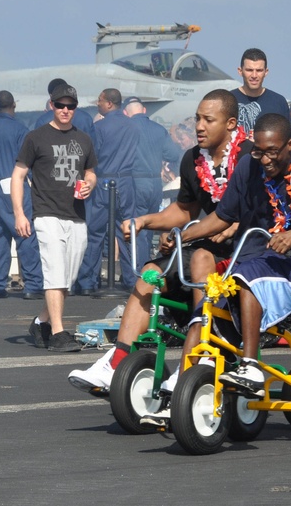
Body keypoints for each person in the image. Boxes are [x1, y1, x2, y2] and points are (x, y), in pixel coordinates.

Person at [68, 89, 251, 397]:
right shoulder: (193, 159)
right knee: (149, 275)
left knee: (199, 259)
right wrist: (144, 221)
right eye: (197, 119)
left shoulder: (249, 157)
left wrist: (221, 227)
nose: (199, 126)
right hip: (207, 244)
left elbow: (257, 207)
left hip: (247, 250)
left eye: (209, 120)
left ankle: (194, 362)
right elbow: (184, 210)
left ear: (231, 123)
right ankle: (116, 362)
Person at [178, 112, 291, 396]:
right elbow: (222, 216)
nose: (265, 160)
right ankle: (180, 387)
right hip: (250, 262)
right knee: (204, 307)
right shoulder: (248, 167)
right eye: (259, 151)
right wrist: (183, 236)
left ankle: (251, 364)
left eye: (272, 152)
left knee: (246, 276)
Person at [13, 83, 97, 352]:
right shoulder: (35, 137)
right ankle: (59, 333)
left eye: (70, 106)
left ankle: (41, 322)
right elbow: (18, 175)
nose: (65, 110)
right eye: (60, 105)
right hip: (46, 213)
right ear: (51, 105)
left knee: (67, 279)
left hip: (76, 215)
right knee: (55, 274)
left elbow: (92, 172)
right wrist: (19, 214)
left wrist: (89, 184)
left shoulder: (83, 139)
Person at [0, 90, 44, 300]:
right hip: (17, 186)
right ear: (13, 105)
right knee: (25, 235)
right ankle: (32, 285)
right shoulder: (21, 130)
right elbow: (29, 162)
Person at [74, 88, 139, 294]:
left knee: (95, 232)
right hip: (127, 181)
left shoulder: (99, 127)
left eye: (100, 101)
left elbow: (93, 155)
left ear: (109, 103)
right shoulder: (133, 126)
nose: (97, 104)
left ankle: (87, 281)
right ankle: (130, 279)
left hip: (103, 181)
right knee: (126, 231)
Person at [124, 96, 182, 264]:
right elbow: (172, 154)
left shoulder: (127, 128)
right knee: (151, 225)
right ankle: (148, 266)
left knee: (138, 227)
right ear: (144, 110)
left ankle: (141, 270)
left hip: (136, 182)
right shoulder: (158, 129)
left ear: (126, 114)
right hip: (155, 183)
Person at [231, 48, 291, 137]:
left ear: (266, 72)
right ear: (240, 71)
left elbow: (290, 140)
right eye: (249, 70)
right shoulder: (228, 100)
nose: (254, 75)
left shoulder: (278, 102)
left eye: (259, 70)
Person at [31, 77, 96, 139]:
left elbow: (37, 146)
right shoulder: (86, 118)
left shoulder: (43, 120)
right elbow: (93, 147)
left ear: (51, 96)